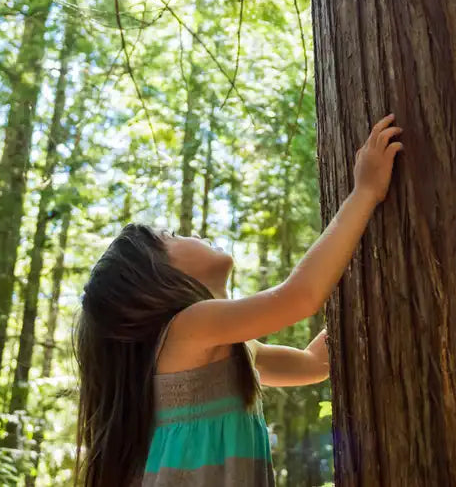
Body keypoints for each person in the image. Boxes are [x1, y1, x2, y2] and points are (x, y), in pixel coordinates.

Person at [75, 115, 404, 486]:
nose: (192, 233)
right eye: (173, 236)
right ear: (154, 279)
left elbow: (314, 364)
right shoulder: (187, 328)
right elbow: (299, 297)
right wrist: (364, 192)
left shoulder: (232, 349)